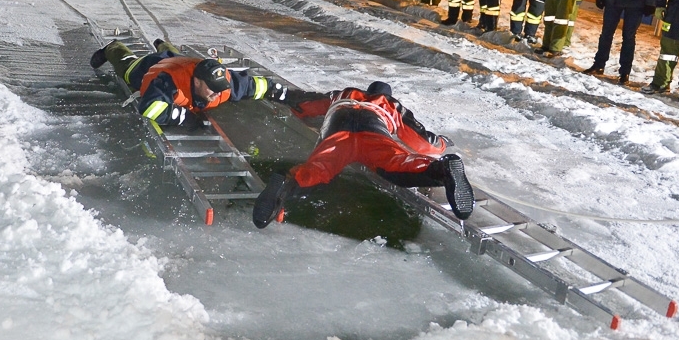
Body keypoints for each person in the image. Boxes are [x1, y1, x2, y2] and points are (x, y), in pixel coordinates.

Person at [252, 81, 475, 228]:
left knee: (318, 170)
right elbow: (422, 141)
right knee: (396, 164)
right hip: (372, 131)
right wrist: (443, 144)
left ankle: (285, 184)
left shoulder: (342, 94)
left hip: (338, 128)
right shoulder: (389, 104)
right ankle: (440, 168)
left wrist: (285, 100)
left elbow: (306, 105)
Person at [90, 38, 281, 128]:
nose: (217, 94)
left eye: (219, 89)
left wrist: (279, 91)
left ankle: (162, 44)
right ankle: (113, 46)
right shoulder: (167, 83)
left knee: (177, 56)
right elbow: (150, 108)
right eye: (212, 89)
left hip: (180, 61)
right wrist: (184, 117)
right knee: (127, 67)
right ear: (198, 82)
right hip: (151, 67)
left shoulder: (220, 81)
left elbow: (251, 85)